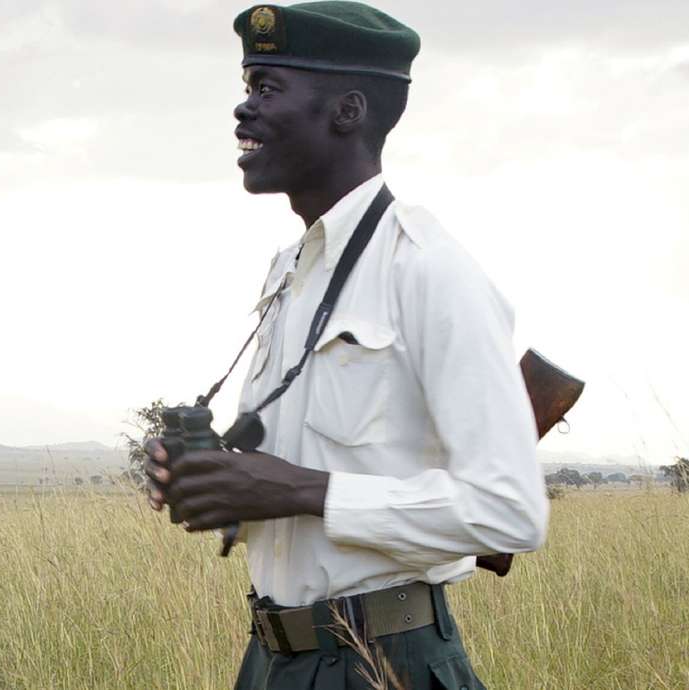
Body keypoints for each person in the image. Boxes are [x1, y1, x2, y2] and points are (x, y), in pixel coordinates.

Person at [144, 3, 549, 688]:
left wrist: (297, 489)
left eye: (266, 88)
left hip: (383, 661)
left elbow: (510, 511)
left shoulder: (427, 268)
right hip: (273, 659)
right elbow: (306, 467)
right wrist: (219, 481)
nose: (243, 111)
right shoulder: (288, 272)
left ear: (348, 110)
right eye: (246, 87)